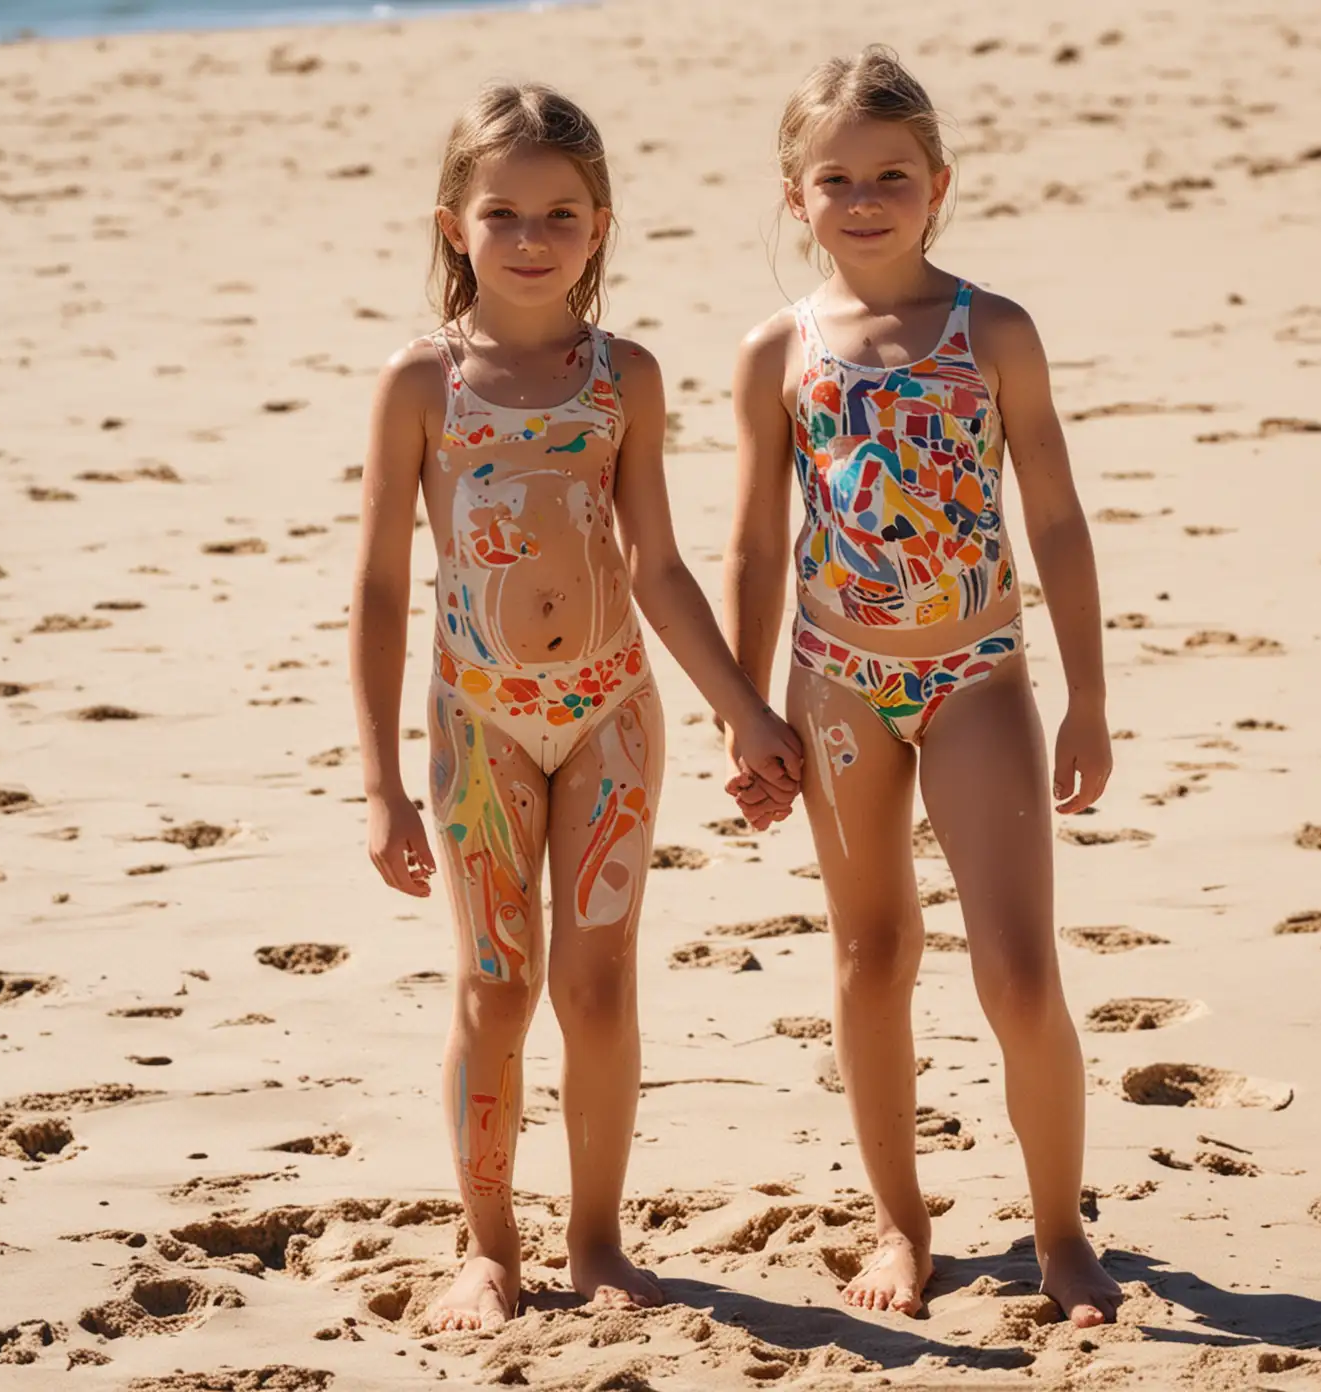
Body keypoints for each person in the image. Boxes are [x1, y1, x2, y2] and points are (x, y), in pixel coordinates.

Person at [348, 82, 802, 1330]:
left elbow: (657, 565)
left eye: (560, 212)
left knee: (598, 987)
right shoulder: (421, 386)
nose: (532, 236)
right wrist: (382, 782)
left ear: (599, 226)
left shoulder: (624, 379)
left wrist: (744, 712)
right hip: (477, 727)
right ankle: (487, 1246)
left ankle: (597, 1239)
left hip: (610, 717)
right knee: (495, 983)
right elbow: (385, 583)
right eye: (503, 213)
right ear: (455, 226)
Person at [720, 47, 1123, 1326]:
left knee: (1017, 970)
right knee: (869, 954)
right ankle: (901, 1223)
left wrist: (1090, 699)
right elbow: (748, 542)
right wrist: (749, 713)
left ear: (937, 183)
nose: (864, 196)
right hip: (835, 690)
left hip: (978, 681)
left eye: (891, 173)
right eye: (835, 177)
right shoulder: (775, 351)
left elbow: (1054, 519)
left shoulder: (990, 330)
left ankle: (1062, 1234)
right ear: (796, 196)